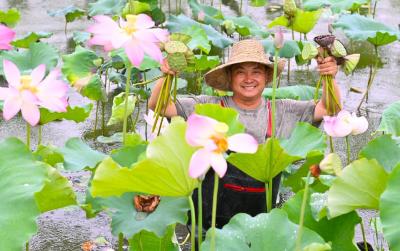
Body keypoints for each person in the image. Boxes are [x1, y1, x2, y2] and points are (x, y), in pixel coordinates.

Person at [148, 39, 340, 229]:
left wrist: (329, 77)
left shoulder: (282, 111)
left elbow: (328, 108)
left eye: (256, 72)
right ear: (230, 78)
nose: (249, 79)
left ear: (266, 77)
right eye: (241, 72)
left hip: (258, 228)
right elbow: (159, 106)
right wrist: (167, 76)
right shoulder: (209, 107)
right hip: (210, 227)